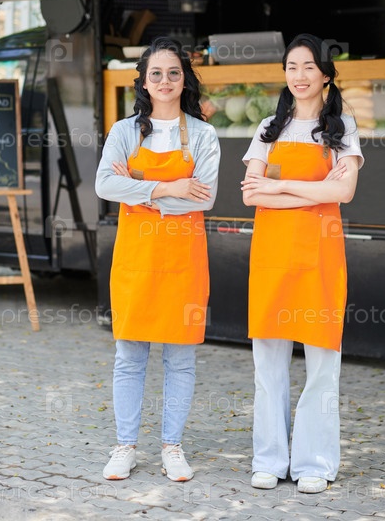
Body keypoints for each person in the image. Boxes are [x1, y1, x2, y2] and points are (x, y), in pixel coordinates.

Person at [241, 33, 364, 494]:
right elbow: (250, 193)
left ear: (326, 75)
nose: (299, 75)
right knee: (268, 364)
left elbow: (343, 191)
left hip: (319, 256)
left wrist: (277, 187)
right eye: (292, 67)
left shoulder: (342, 128)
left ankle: (315, 461)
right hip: (271, 256)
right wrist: (310, 190)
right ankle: (270, 459)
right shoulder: (268, 128)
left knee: (321, 364)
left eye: (309, 66)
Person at [95, 36, 220, 482]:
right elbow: (105, 185)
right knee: (129, 356)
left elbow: (205, 197)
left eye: (173, 73)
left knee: (180, 358)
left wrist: (138, 191)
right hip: (136, 259)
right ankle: (125, 447)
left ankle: (172, 447)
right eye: (156, 74)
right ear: (144, 82)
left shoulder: (203, 134)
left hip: (184, 260)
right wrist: (169, 187)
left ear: (183, 80)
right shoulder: (123, 132)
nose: (165, 81)